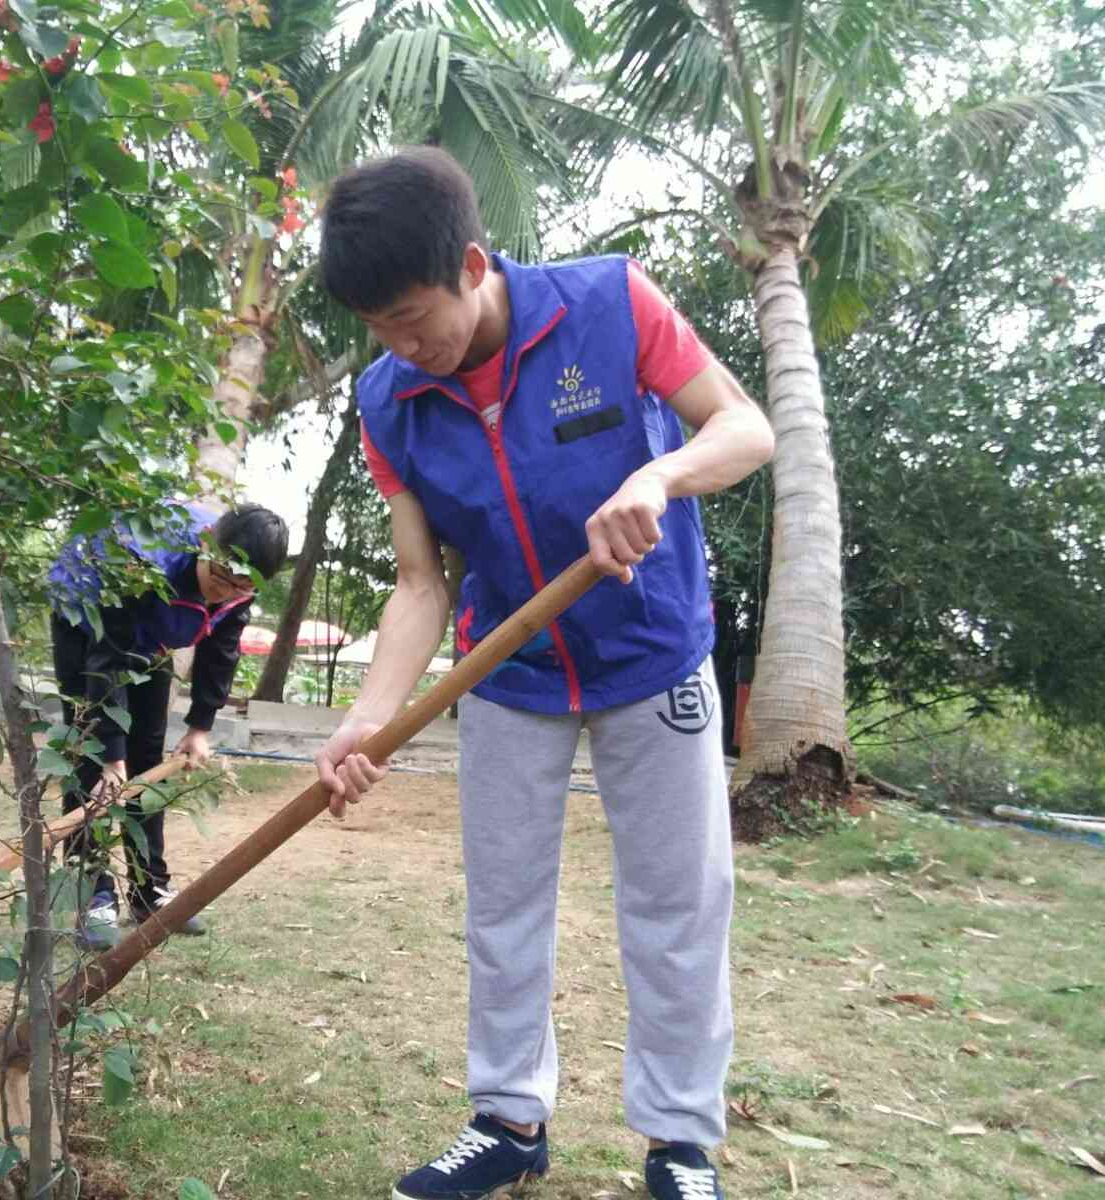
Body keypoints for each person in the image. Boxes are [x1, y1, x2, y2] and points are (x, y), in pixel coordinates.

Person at [311, 147, 775, 1200]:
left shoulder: (609, 303)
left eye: (414, 318)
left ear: (473, 264)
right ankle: (508, 1121)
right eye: (376, 328)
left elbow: (743, 427)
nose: (402, 348)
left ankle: (681, 1144)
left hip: (651, 654)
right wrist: (366, 722)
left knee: (677, 902)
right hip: (509, 672)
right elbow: (419, 584)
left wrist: (658, 475)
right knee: (503, 905)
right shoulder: (390, 401)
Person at [48, 501, 289, 949]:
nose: (222, 592)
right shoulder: (145, 561)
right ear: (205, 543)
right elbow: (107, 659)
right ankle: (91, 894)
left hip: (151, 637)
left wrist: (201, 726)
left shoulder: (238, 587)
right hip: (88, 620)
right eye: (217, 576)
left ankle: (148, 890)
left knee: (148, 754)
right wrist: (110, 759)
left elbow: (221, 650)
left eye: (237, 587)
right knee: (90, 759)